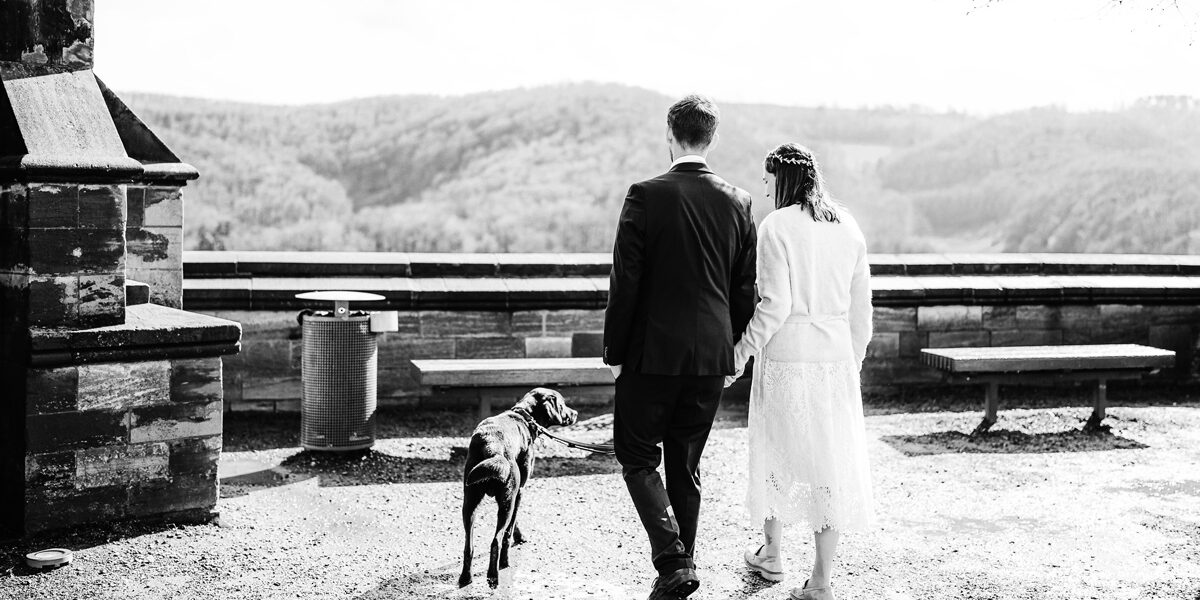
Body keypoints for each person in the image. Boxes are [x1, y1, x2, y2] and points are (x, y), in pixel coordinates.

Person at [604, 94, 757, 600]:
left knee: (636, 456)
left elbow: (625, 281)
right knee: (685, 467)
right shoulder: (739, 201)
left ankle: (673, 561)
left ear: (670, 135)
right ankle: (680, 569)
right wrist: (732, 353)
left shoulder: (644, 195)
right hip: (710, 357)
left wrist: (615, 353)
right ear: (712, 138)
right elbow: (743, 289)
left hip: (650, 355)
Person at [730, 143, 874, 600]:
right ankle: (821, 579)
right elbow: (862, 311)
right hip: (835, 360)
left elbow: (775, 305)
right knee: (828, 464)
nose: (764, 187)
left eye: (768, 178)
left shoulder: (776, 226)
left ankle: (772, 555)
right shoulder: (848, 226)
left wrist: (741, 351)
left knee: (775, 454)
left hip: (788, 358)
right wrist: (852, 360)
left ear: (783, 178)